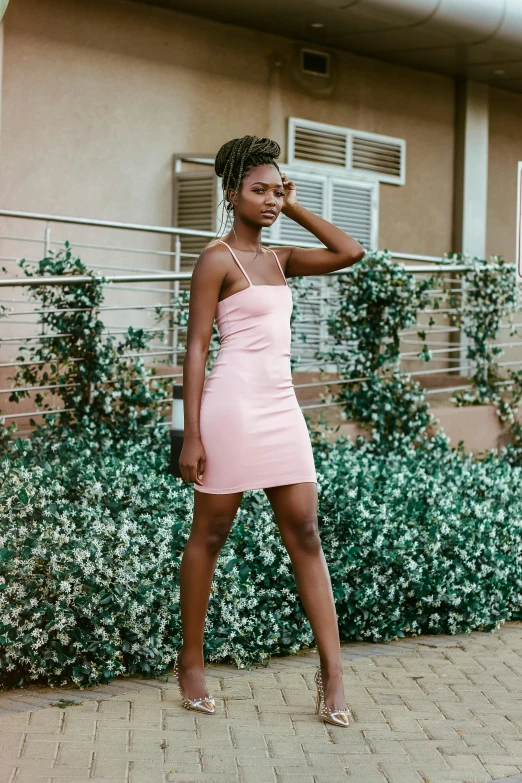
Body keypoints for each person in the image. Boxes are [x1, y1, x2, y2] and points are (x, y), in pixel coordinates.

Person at [174, 135, 365, 727]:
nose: (270, 200)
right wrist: (192, 434)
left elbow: (350, 251)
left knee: (305, 531)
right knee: (210, 534)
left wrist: (299, 204)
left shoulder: (283, 259)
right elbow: (198, 346)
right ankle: (191, 662)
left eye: (277, 190)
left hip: (282, 407)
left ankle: (331, 674)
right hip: (229, 407)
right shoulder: (216, 260)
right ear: (231, 194)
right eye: (259, 190)